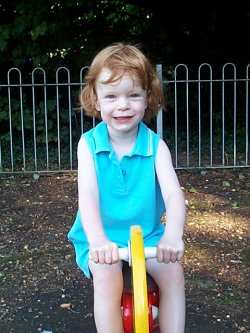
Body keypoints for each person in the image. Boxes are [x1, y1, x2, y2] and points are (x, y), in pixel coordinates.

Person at [68, 43, 186, 333]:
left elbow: (173, 194)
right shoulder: (89, 145)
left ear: (148, 98)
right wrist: (97, 240)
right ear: (96, 100)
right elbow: (89, 196)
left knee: (173, 272)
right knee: (107, 277)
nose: (123, 105)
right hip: (102, 238)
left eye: (133, 95)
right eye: (112, 97)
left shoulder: (155, 147)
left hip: (147, 235)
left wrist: (172, 235)